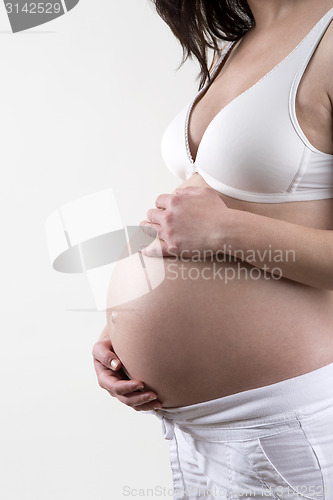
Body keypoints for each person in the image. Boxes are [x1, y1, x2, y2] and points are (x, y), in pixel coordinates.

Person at [92, 1, 333, 498]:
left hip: (287, 422)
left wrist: (226, 232)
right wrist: (119, 333)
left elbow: (217, 223)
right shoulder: (238, 40)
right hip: (196, 431)